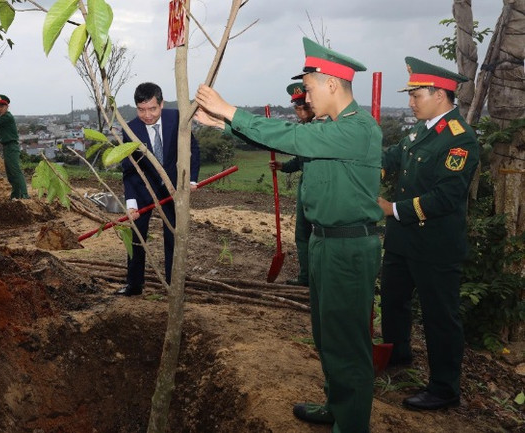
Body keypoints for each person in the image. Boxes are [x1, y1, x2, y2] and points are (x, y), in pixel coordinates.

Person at [195, 37, 382, 433]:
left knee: (348, 344)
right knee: (327, 335)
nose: (306, 95)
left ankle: (351, 425)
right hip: (324, 244)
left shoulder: (358, 129)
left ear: (332, 83)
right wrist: (226, 125)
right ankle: (337, 404)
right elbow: (285, 137)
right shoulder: (328, 128)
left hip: (348, 248)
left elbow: (292, 137)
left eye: (310, 85)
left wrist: (231, 110)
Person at [378, 57, 480, 411]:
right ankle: (396, 355)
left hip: (435, 244)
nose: (410, 102)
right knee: (392, 301)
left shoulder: (459, 139)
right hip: (402, 241)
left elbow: (447, 197)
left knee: (440, 316)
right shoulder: (419, 131)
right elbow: (391, 158)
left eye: (415, 95)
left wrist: (393, 209)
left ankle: (444, 388)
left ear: (439, 94)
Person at [116, 82, 201, 296]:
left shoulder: (178, 118)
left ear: (161, 104)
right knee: (137, 235)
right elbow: (129, 168)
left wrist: (190, 180)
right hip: (144, 189)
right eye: (141, 110)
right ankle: (134, 285)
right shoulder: (131, 129)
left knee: (173, 235)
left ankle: (174, 285)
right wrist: (132, 202)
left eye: (152, 108)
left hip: (174, 188)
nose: (147, 115)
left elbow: (193, 149)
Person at [268, 82, 315, 286]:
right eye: (297, 108)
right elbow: (300, 160)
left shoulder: (322, 126)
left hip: (321, 187)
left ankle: (319, 277)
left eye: (305, 107)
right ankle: (306, 278)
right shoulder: (304, 127)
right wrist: (282, 166)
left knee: (322, 235)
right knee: (302, 234)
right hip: (305, 186)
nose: (302, 112)